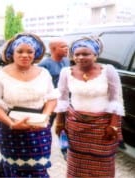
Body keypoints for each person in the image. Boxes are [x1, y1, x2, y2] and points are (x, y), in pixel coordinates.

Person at [0, 32, 58, 178]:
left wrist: (45, 117)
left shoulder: (44, 73)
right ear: (12, 52)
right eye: (20, 51)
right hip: (11, 130)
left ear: (35, 53)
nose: (25, 55)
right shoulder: (0, 75)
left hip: (39, 130)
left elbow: (51, 98)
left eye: (30, 51)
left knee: (38, 168)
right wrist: (11, 124)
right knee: (14, 169)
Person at [55, 36, 124, 178]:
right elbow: (62, 99)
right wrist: (60, 122)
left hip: (102, 127)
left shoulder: (108, 71)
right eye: (77, 54)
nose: (80, 57)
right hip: (76, 126)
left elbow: (115, 99)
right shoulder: (66, 72)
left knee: (103, 164)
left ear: (95, 55)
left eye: (85, 54)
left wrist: (114, 125)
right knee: (76, 164)